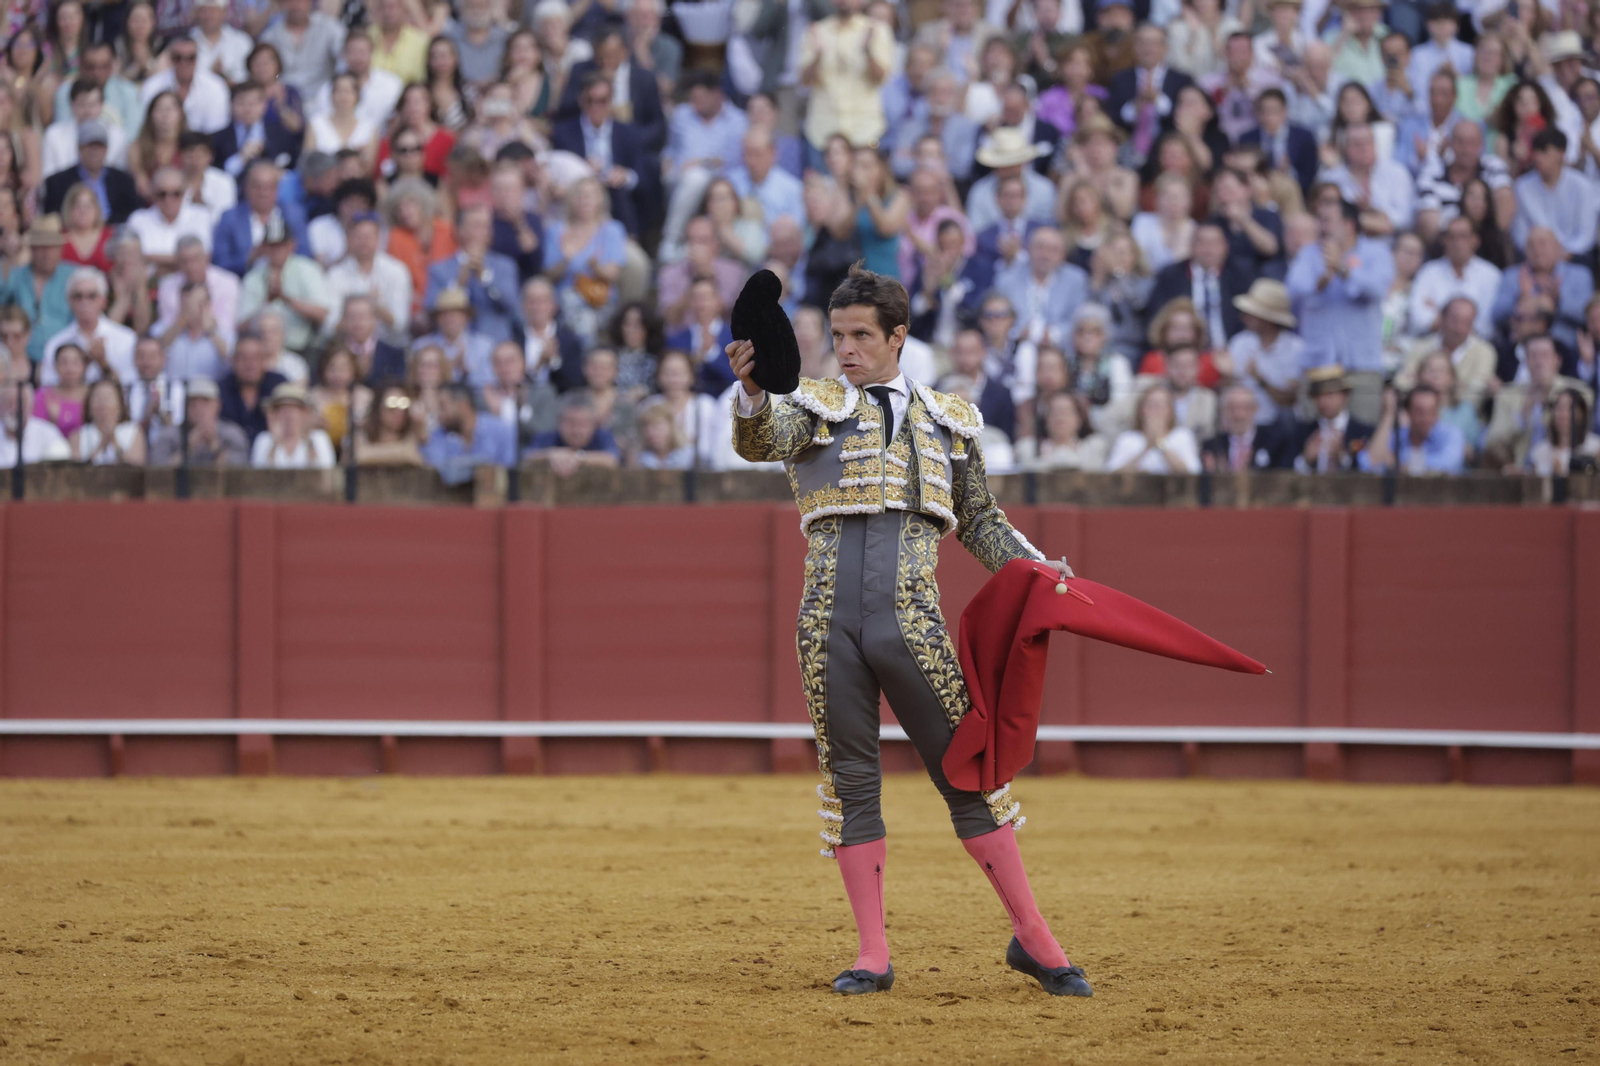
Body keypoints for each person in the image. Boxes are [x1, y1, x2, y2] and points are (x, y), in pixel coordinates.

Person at [727, 262, 1086, 999]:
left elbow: (981, 520)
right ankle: (871, 955)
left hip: (913, 627)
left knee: (970, 777)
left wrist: (1039, 568)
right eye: (837, 336)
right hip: (826, 629)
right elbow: (760, 439)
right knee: (852, 784)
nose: (848, 349)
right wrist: (755, 389)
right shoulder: (814, 407)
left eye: (862, 335)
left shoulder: (949, 420)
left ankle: (1035, 939)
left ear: (898, 335)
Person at [1285, 197, 1394, 423]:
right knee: (1312, 437)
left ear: (1349, 225)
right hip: (1318, 365)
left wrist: (1343, 268)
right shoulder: (1308, 255)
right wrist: (1321, 280)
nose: (1321, 227)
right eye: (1319, 220)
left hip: (1362, 366)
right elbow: (1293, 290)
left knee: (1360, 437)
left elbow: (1377, 288)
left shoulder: (1376, 253)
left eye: (1327, 220)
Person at [1511, 129, 1600, 260]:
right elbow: (1520, 233)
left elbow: (1586, 234)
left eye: (1544, 151)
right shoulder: (1521, 187)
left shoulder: (1582, 186)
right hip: (1534, 256)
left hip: (1573, 256)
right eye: (1536, 152)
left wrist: (1563, 254)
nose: (1538, 158)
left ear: (1561, 154)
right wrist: (1539, 254)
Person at [1407, 215, 1501, 338]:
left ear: (1475, 240)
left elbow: (1487, 324)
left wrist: (1440, 316)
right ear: (1444, 241)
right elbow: (1418, 317)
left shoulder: (1491, 275)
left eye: (1463, 236)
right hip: (1434, 344)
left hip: (1476, 346)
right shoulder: (1429, 272)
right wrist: (1462, 324)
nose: (1457, 243)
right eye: (1451, 237)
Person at [40, 267, 136, 386]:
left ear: (104, 301)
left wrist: (103, 363)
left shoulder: (126, 339)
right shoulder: (56, 343)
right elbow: (49, 390)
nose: (84, 302)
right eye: (78, 296)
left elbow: (130, 388)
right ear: (69, 301)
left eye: (92, 296)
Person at [212, 161, 310, 277]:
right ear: (246, 188)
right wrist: (250, 258)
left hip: (289, 280)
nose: (263, 193)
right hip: (242, 283)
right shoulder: (230, 217)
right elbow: (220, 263)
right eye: (257, 187)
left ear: (277, 189)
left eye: (269, 187)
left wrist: (281, 255)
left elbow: (306, 256)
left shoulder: (293, 214)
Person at [421, 380, 517, 484]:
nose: (439, 415)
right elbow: (437, 470)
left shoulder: (500, 430)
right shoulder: (439, 434)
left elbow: (508, 468)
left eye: (442, 407)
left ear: (463, 405)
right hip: (451, 498)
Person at [1358, 383, 1466, 475]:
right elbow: (1367, 463)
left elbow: (1450, 465)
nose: (1425, 418)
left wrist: (1398, 465)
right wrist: (1389, 414)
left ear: (1438, 413)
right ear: (1408, 412)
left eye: (1431, 412)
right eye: (1420, 412)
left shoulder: (1451, 434)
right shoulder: (1398, 435)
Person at [125, 164, 213, 271]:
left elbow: (205, 257)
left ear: (185, 193)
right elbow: (132, 259)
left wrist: (151, 258)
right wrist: (183, 260)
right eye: (162, 194)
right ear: (153, 194)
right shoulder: (138, 219)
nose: (169, 200)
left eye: (176, 193)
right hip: (149, 285)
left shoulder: (201, 216)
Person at [147, 377, 251, 466]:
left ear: (218, 405)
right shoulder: (170, 435)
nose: (198, 407)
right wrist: (187, 448)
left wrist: (215, 447)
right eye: (193, 402)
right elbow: (158, 473)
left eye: (205, 401)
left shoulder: (233, 433)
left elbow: (241, 472)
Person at [257, 0, 346, 102]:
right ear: (281, 4)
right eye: (290, 1)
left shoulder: (329, 27)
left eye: (301, 1)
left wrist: (337, 85)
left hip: (324, 98)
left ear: (310, 3)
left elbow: (344, 58)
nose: (296, 5)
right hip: (284, 98)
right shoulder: (270, 36)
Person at [138, 36, 228, 135]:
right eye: (178, 58)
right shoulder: (152, 86)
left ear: (197, 58)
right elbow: (145, 125)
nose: (184, 63)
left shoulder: (215, 87)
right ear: (170, 58)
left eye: (190, 58)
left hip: (202, 147)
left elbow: (216, 131)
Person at [1292, 365, 1375, 473]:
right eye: (1317, 395)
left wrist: (1342, 456)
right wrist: (1306, 458)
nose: (1323, 401)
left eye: (1329, 394)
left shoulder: (1364, 432)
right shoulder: (1302, 432)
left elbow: (1370, 471)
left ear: (1345, 395)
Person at [524, 391, 621, 473]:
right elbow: (527, 459)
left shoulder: (602, 436)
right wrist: (550, 455)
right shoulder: (547, 437)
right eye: (570, 423)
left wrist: (577, 457)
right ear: (559, 422)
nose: (576, 430)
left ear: (594, 424)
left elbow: (612, 460)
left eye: (582, 424)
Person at [1202, 383, 1290, 471]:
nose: (1239, 415)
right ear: (1224, 411)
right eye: (1232, 408)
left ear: (1254, 409)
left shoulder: (1274, 441)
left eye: (1245, 408)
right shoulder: (1213, 446)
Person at [218, 330, 286, 442]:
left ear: (264, 360)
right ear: (233, 361)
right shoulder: (221, 389)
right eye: (243, 358)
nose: (249, 364)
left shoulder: (279, 385)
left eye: (256, 357)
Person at [251, 381, 336, 468]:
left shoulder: (319, 438)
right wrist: (275, 443)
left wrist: (309, 443)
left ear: (305, 413)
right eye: (283, 410)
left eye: (294, 410)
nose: (289, 415)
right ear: (274, 414)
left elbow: (324, 473)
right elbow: (260, 474)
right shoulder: (264, 440)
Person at [68, 376, 143, 464]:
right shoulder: (78, 435)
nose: (103, 402)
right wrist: (101, 445)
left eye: (108, 398)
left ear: (120, 405)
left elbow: (137, 467)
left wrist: (114, 441)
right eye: (98, 397)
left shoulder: (133, 431)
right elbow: (75, 470)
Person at [0, 378, 71, 464]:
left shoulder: (48, 433)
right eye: (8, 402)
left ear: (31, 406)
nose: (15, 409)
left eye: (21, 402)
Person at [34, 342, 89, 436]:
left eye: (75, 363)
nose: (70, 368)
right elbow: (35, 431)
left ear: (84, 366)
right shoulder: (43, 395)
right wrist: (52, 421)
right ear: (55, 366)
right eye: (64, 362)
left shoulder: (93, 394)